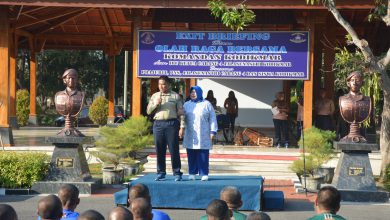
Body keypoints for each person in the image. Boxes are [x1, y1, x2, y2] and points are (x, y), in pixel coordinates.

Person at [146, 75, 184, 181]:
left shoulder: (176, 96)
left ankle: (177, 172)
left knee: (174, 149)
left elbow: (181, 113)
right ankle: (161, 172)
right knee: (159, 149)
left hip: (171, 124)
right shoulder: (154, 96)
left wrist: (182, 127)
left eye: (163, 84)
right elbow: (148, 111)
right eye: (159, 84)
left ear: (169, 84)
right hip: (158, 124)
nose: (161, 86)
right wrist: (156, 104)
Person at [183, 86, 218, 181]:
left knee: (203, 153)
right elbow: (182, 118)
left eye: (195, 92)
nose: (193, 94)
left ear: (199, 93)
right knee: (191, 153)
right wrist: (181, 128)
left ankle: (204, 173)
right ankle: (192, 173)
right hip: (190, 133)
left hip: (204, 133)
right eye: (191, 92)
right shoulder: (186, 104)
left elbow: (212, 118)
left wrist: (212, 131)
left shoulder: (206, 104)